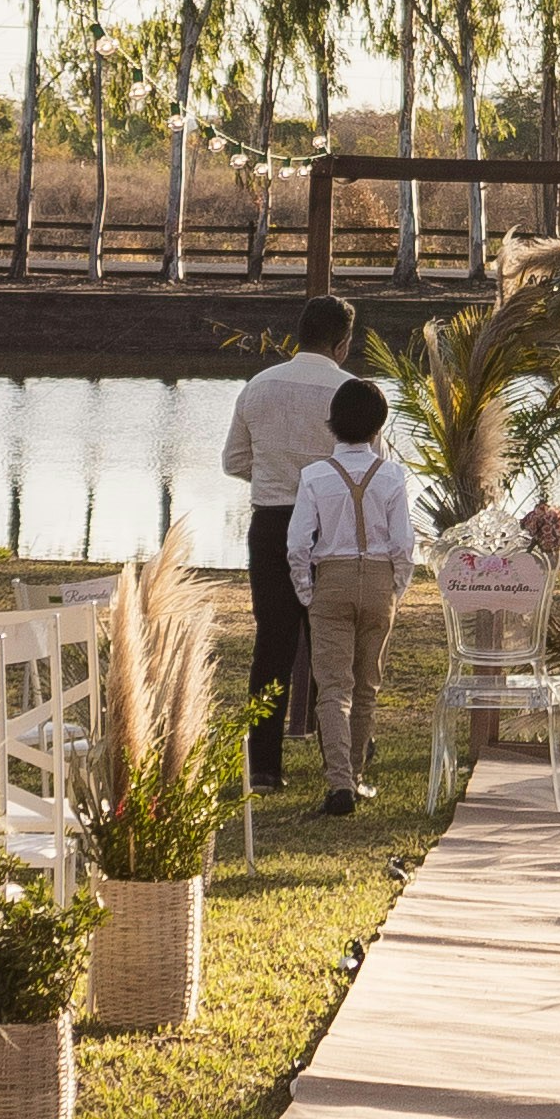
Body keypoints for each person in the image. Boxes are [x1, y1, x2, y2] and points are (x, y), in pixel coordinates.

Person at [220, 300, 357, 788]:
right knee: (331, 645)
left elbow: (234, 460)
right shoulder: (349, 391)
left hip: (272, 524)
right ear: (342, 344)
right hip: (330, 528)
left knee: (272, 644)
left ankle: (263, 766)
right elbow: (366, 466)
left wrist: (277, 475)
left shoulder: (259, 386)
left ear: (298, 333)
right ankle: (336, 762)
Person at [288, 374, 416, 817]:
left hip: (333, 579)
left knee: (332, 687)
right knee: (367, 686)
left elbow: (298, 544)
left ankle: (339, 782)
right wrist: (396, 585)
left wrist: (307, 591)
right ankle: (355, 777)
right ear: (379, 426)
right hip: (379, 580)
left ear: (333, 424)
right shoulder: (394, 475)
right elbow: (403, 544)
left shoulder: (315, 475)